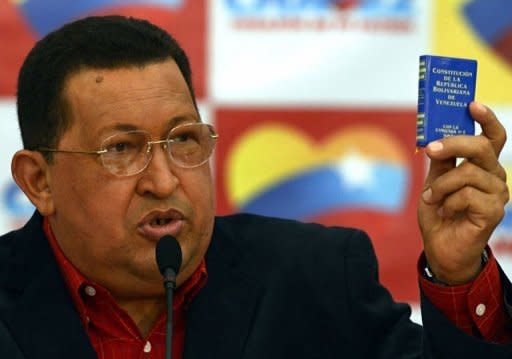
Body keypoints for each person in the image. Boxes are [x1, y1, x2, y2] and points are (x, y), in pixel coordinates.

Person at [1, 15, 511, 359]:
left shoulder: (319, 279)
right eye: (121, 150)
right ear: (38, 181)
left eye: (183, 139)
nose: (163, 181)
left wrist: (457, 274)